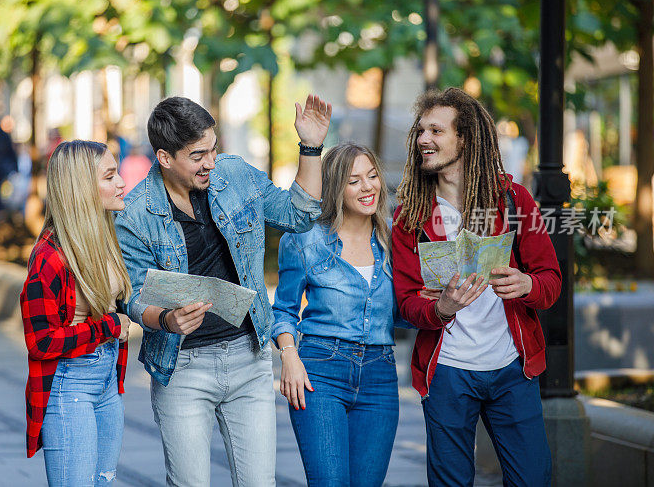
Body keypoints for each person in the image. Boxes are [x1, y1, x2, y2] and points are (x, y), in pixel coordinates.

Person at [115, 95, 331, 486]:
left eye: (213, 149)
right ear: (165, 158)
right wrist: (166, 318)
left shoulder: (234, 174)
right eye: (198, 156)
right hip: (182, 368)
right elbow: (130, 298)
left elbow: (297, 215)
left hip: (248, 358)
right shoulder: (135, 213)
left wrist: (311, 147)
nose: (211, 162)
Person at [391, 88, 562, 486]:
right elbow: (404, 303)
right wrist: (442, 309)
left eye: (436, 130)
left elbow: (551, 282)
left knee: (533, 478)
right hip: (448, 371)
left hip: (511, 369)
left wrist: (527, 284)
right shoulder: (410, 216)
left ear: (465, 138)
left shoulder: (513, 201)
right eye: (420, 131)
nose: (423, 140)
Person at [273, 143, 410, 487]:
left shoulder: (395, 240)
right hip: (320, 373)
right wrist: (290, 358)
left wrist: (442, 304)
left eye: (373, 176)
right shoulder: (306, 239)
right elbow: (284, 310)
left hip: (380, 376)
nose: (368, 187)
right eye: (354, 181)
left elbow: (404, 312)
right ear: (335, 187)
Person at [20, 140, 132, 486]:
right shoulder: (49, 257)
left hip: (106, 382)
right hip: (70, 386)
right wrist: (108, 327)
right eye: (110, 176)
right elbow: (40, 342)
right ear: (81, 187)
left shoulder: (106, 235)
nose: (122, 183)